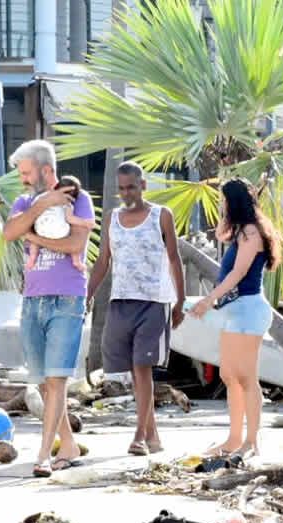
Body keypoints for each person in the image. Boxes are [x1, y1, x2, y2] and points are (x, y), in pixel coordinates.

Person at [1, 139, 94, 477]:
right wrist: (42, 205)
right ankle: (67, 445)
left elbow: (75, 243)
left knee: (56, 380)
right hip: (32, 300)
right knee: (44, 382)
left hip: (67, 298)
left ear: (46, 169)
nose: (22, 179)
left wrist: (35, 238)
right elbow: (10, 233)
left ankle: (42, 455)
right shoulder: (25, 202)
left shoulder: (78, 198)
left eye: (26, 172)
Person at [87, 161, 186, 457]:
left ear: (143, 185)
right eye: (121, 188)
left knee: (142, 367)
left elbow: (174, 258)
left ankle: (140, 436)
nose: (126, 193)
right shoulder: (112, 218)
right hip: (121, 300)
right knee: (133, 371)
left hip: (154, 301)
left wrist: (180, 301)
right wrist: (88, 294)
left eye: (131, 187)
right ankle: (153, 437)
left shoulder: (161, 215)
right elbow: (103, 261)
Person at [188, 178, 282, 458]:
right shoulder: (241, 230)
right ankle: (233, 439)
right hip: (234, 310)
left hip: (249, 309)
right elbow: (221, 234)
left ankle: (251, 441)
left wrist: (209, 299)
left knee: (246, 377)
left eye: (224, 201)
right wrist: (224, 213)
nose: (221, 205)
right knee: (228, 375)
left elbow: (238, 273)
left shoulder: (251, 232)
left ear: (234, 202)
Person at [26, 175, 94, 273]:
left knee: (34, 239)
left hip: (40, 229)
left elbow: (34, 210)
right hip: (59, 232)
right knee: (73, 235)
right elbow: (70, 219)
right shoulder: (67, 204)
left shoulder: (43, 197)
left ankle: (32, 258)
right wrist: (85, 223)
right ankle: (76, 260)